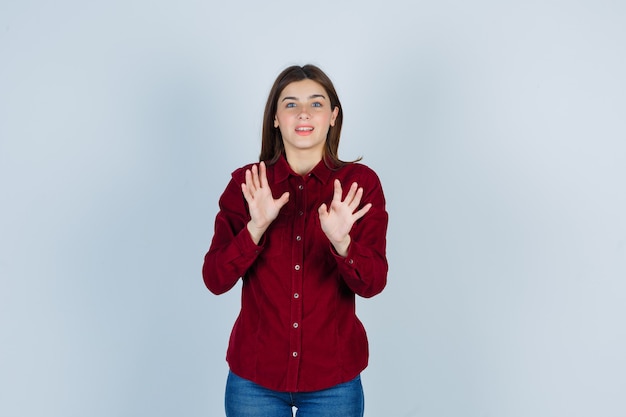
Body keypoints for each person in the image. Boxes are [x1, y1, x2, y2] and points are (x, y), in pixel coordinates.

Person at [202, 64, 388, 417]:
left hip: (334, 381)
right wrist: (255, 228)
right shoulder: (249, 184)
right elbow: (214, 279)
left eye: (316, 104)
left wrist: (343, 245)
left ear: (333, 116)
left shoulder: (358, 185)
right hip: (254, 380)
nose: (303, 113)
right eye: (290, 104)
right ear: (275, 118)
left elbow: (374, 282)